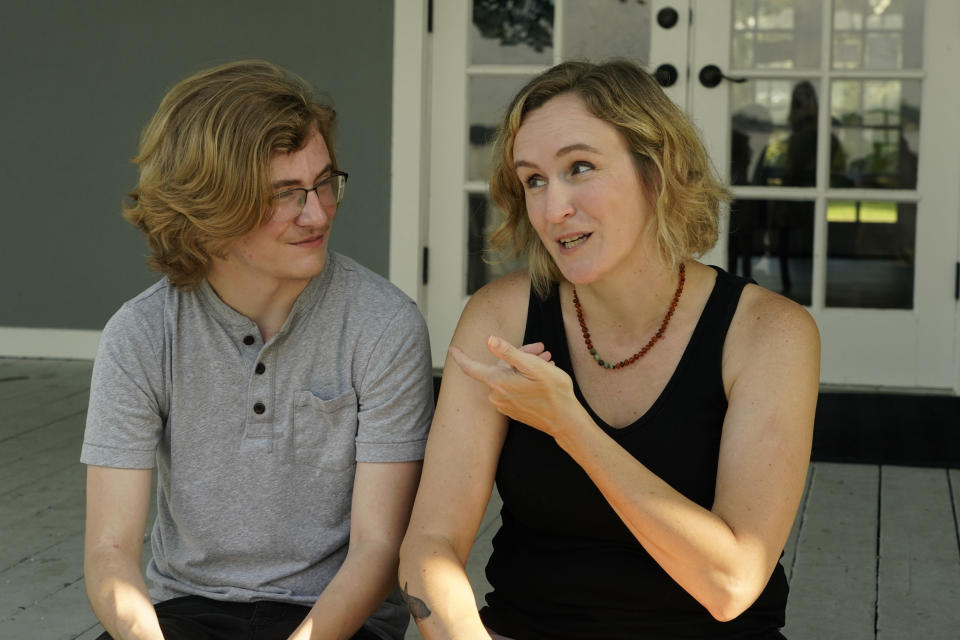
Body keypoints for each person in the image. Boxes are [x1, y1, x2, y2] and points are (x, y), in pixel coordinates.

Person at [398, 60, 819, 639]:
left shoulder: (769, 333)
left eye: (581, 167)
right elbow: (431, 543)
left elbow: (731, 585)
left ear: (658, 172)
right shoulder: (501, 316)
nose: (553, 209)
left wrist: (570, 425)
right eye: (534, 180)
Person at [81, 60, 434, 640]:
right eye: (285, 195)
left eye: (324, 182)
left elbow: (378, 548)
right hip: (185, 612)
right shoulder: (142, 334)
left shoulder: (384, 325)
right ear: (208, 213)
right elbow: (109, 552)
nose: (318, 212)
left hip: (338, 620)